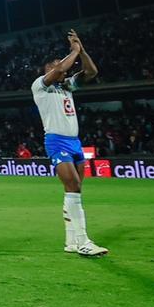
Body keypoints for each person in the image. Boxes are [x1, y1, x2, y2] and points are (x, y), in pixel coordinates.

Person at [32, 29, 106, 256]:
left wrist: (81, 51)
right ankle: (84, 241)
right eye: (54, 64)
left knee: (74, 191)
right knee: (72, 186)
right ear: (47, 71)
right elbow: (62, 68)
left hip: (74, 142)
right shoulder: (40, 86)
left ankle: (71, 241)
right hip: (57, 142)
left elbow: (92, 71)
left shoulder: (67, 86)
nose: (60, 66)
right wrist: (72, 51)